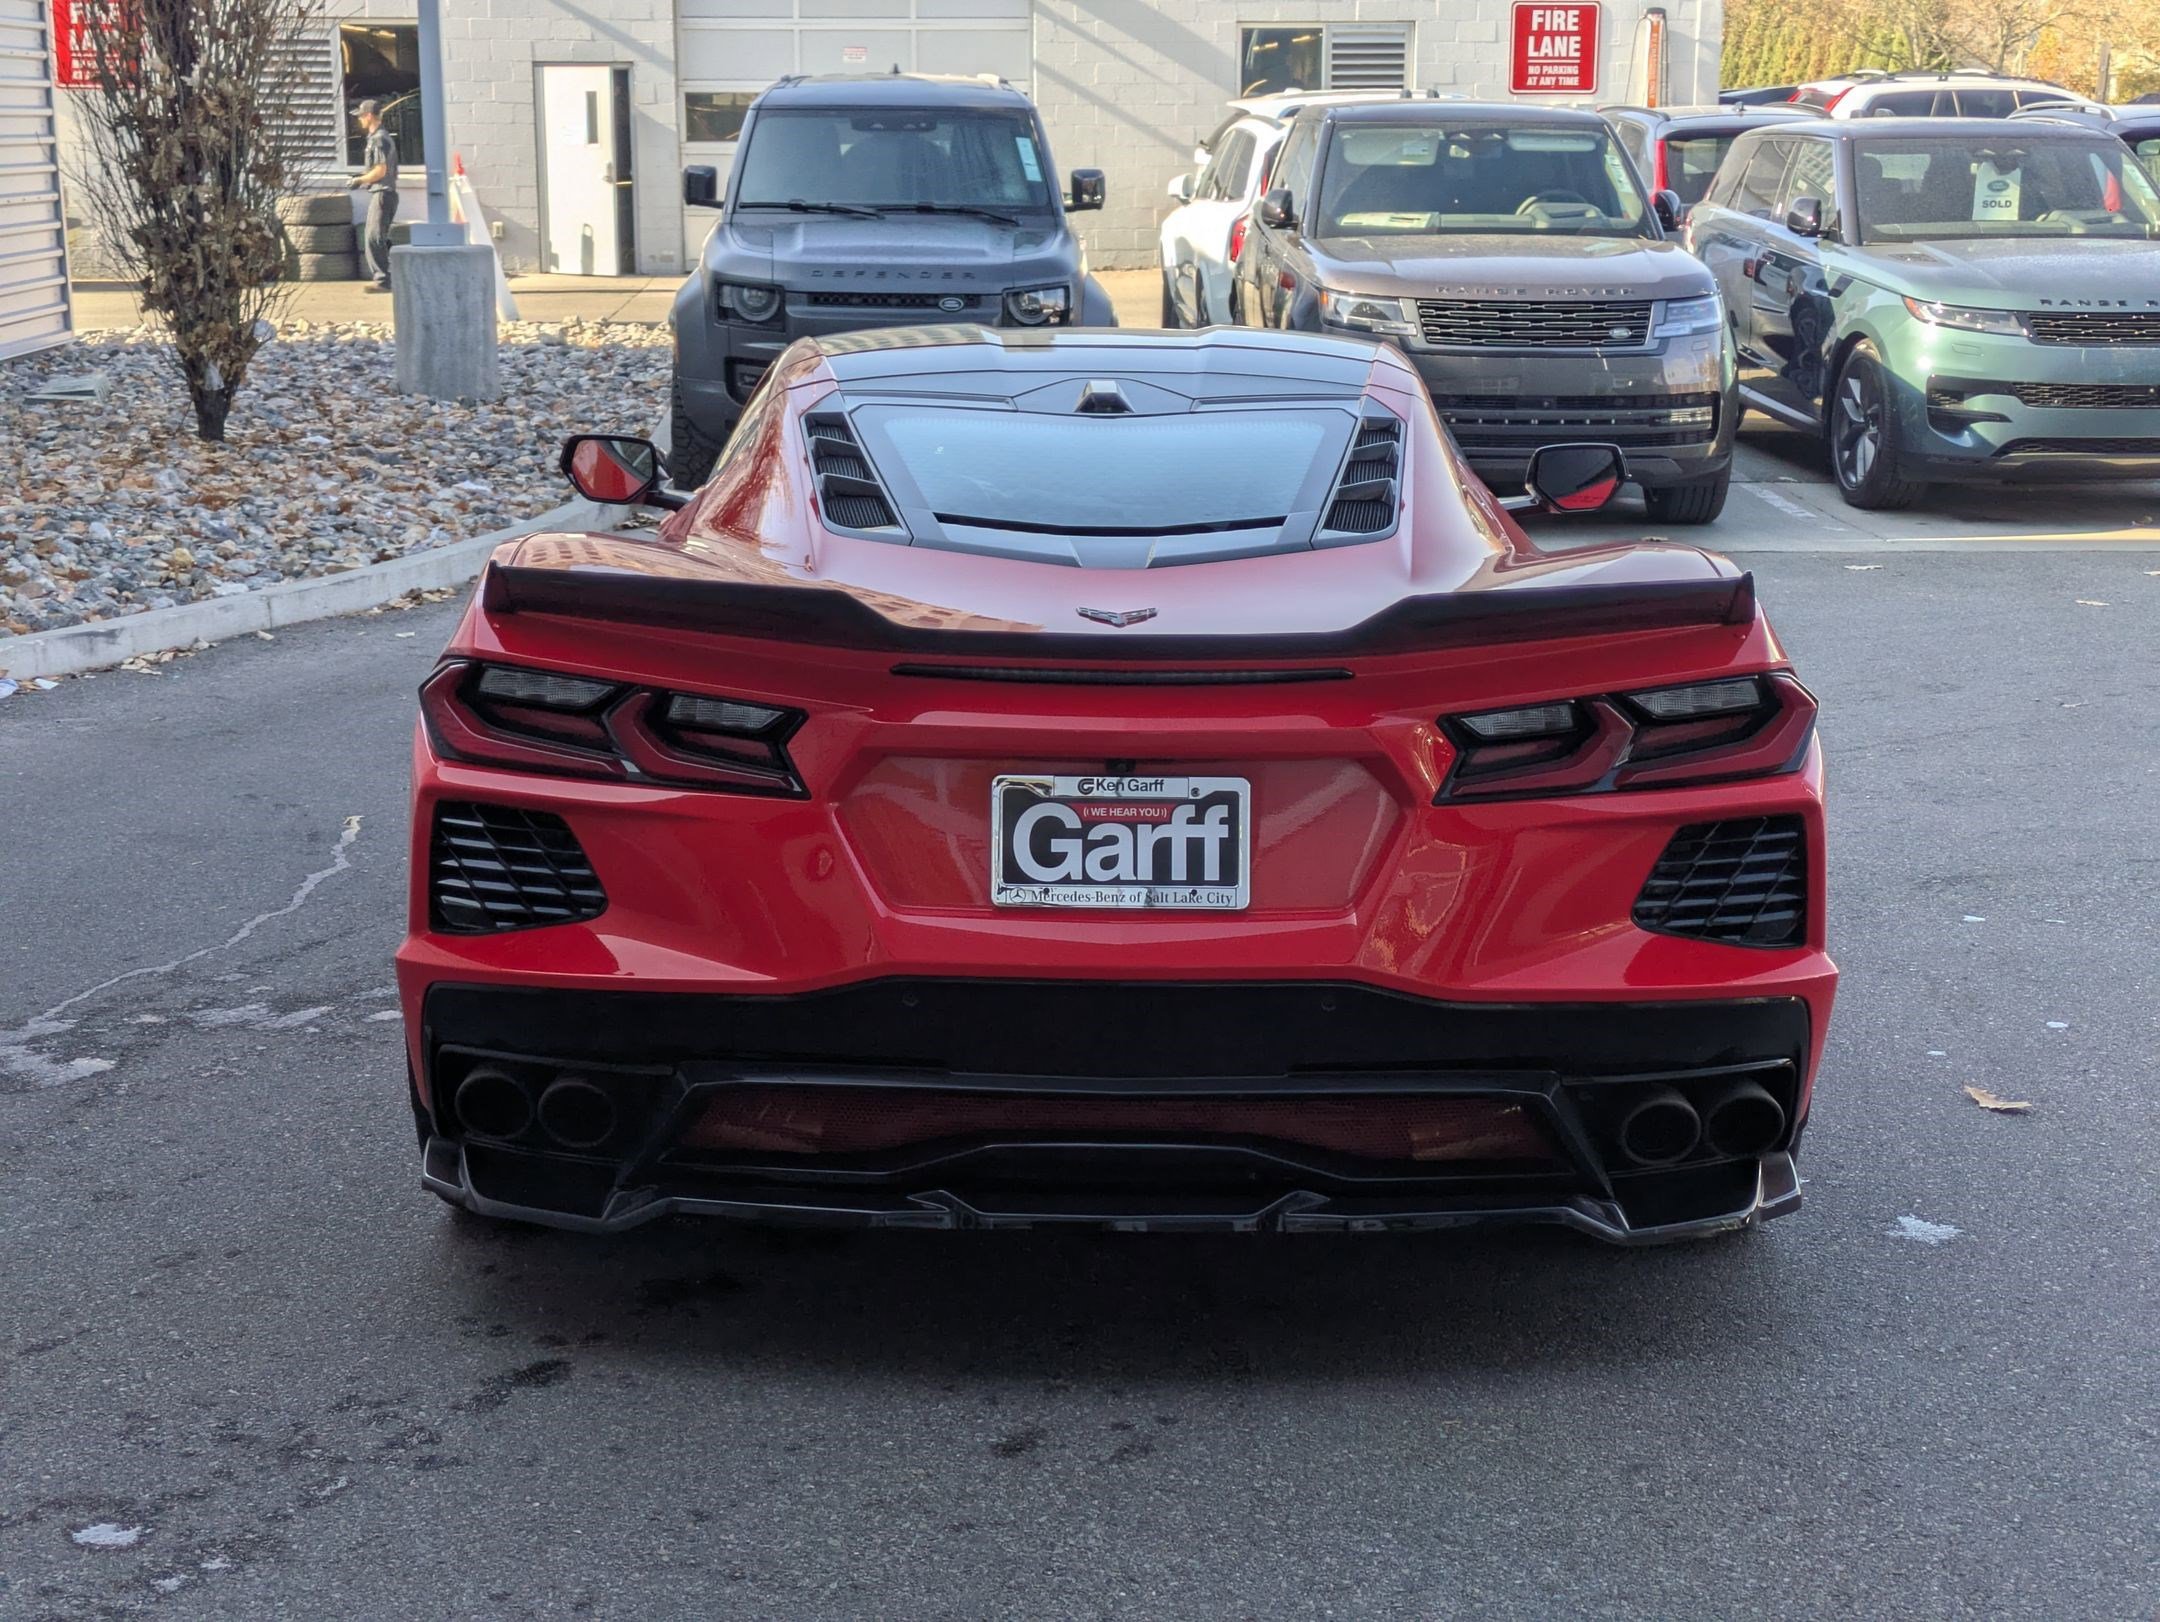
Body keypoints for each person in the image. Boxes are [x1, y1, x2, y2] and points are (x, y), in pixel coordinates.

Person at [348, 100, 400, 291]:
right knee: (379, 237)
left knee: (373, 238)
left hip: (382, 194)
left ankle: (383, 281)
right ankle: (387, 276)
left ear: (369, 116)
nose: (360, 120)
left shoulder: (379, 139)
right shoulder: (380, 138)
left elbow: (380, 171)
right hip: (383, 193)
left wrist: (359, 180)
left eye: (361, 116)